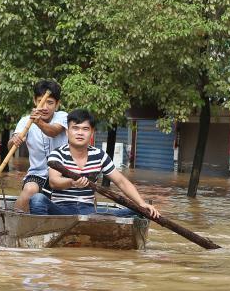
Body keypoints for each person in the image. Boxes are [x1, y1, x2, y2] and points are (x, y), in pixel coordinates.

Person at [30, 109, 160, 219]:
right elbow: (53, 181)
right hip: (62, 211)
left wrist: (142, 203)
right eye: (75, 128)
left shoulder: (99, 155)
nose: (80, 133)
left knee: (142, 212)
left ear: (92, 133)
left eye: (85, 129)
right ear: (67, 132)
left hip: (89, 212)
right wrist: (71, 182)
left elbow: (121, 181)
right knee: (37, 199)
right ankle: (41, 232)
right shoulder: (57, 154)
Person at [10, 80, 68, 213]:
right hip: (37, 175)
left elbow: (53, 131)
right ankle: (15, 223)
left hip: (62, 175)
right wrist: (14, 140)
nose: (45, 107)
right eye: (41, 101)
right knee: (30, 190)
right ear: (35, 101)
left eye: (50, 103)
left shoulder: (63, 116)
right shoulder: (25, 121)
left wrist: (38, 122)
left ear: (57, 104)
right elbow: (11, 147)